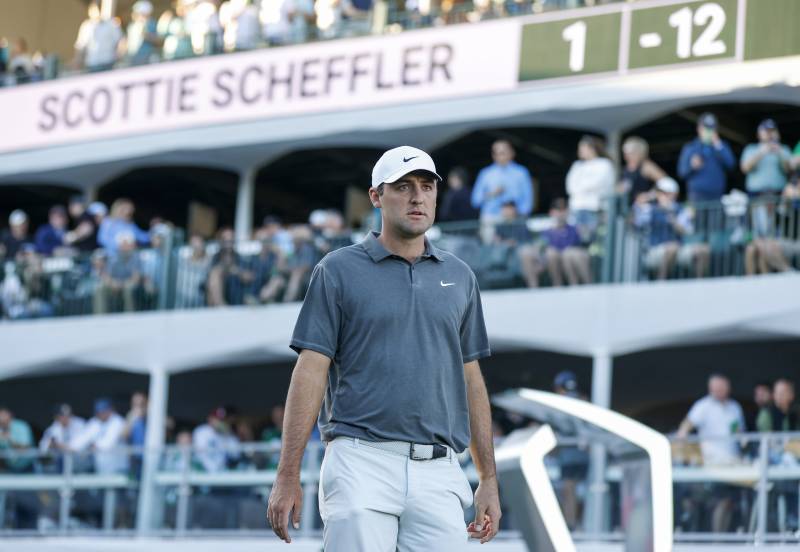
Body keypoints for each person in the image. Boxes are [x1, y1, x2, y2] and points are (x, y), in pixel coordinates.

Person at [268, 145, 500, 549]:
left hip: (440, 470)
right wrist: (287, 473)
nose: (417, 197)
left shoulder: (461, 277)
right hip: (360, 462)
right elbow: (310, 371)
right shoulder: (337, 270)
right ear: (376, 196)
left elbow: (471, 379)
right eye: (403, 187)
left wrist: (489, 480)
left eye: (427, 187)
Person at [677, 374, 745, 532]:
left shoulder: (735, 407)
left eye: (722, 387)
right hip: (711, 464)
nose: (719, 391)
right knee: (717, 500)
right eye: (715, 388)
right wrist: (684, 445)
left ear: (728, 388)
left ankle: (720, 540)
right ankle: (715, 540)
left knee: (729, 502)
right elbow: (686, 425)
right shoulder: (703, 406)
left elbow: (740, 433)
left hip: (733, 464)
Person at [634, 179, 709, 280]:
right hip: (655, 249)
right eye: (660, 193)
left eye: (665, 193)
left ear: (673, 195)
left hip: (679, 248)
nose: (661, 195)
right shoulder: (650, 209)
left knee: (703, 250)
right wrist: (644, 199)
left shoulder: (681, 210)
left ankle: (700, 286)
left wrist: (673, 219)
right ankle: (661, 284)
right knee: (672, 248)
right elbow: (636, 221)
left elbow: (687, 231)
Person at [565, 135, 616, 242]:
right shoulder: (577, 165)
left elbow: (598, 184)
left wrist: (581, 187)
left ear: (592, 148)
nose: (580, 151)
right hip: (577, 207)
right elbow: (570, 186)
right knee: (577, 240)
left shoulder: (604, 164)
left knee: (593, 240)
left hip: (594, 208)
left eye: (583, 148)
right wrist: (583, 188)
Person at [677, 113, 736, 203]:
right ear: (699, 129)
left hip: (717, 196)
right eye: (706, 128)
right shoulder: (690, 148)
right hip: (697, 196)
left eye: (712, 128)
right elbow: (681, 172)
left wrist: (718, 146)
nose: (709, 131)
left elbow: (731, 165)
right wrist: (692, 166)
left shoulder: (721, 146)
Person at [471, 140, 534, 222]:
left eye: (503, 153)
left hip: (515, 219)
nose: (500, 156)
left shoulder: (521, 172)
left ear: (512, 153)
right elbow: (475, 201)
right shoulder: (485, 173)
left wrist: (519, 213)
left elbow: (528, 200)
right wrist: (492, 194)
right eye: (496, 153)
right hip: (491, 218)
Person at [70, 398, 129, 474]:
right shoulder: (95, 422)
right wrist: (71, 446)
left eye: (103, 411)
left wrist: (92, 445)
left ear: (110, 410)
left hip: (119, 468)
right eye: (99, 412)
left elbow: (108, 444)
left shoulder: (118, 421)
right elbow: (83, 437)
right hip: (101, 468)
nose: (101, 414)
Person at [542, 198, 591, 286]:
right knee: (551, 254)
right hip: (556, 265)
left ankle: (580, 285)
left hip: (572, 262)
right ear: (552, 212)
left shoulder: (575, 229)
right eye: (558, 210)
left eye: (563, 210)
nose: (561, 213)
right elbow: (544, 248)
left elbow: (581, 243)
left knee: (568, 254)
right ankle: (557, 285)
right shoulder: (547, 231)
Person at [94, 231, 142, 313]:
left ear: (131, 245)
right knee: (99, 287)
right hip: (115, 285)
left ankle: (130, 315)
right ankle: (100, 316)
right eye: (122, 245)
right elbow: (106, 276)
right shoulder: (114, 258)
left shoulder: (136, 258)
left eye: (126, 244)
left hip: (129, 284)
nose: (124, 247)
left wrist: (122, 284)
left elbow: (136, 278)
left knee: (128, 287)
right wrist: (113, 283)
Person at [619, 136, 671, 205]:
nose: (628, 156)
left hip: (647, 209)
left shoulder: (646, 166)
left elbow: (668, 184)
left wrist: (649, 196)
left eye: (631, 153)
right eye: (626, 153)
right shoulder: (626, 169)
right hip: (630, 209)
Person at [74, 2, 123, 72]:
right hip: (92, 64)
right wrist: (78, 60)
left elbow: (120, 41)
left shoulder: (111, 24)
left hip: (108, 62)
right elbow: (80, 45)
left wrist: (119, 55)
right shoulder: (86, 26)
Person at [192, 407, 241, 473]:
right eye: (217, 419)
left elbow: (235, 454)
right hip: (203, 470)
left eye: (222, 420)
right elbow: (200, 452)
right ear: (210, 419)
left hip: (222, 472)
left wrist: (226, 435)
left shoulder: (229, 435)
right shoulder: (202, 431)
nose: (220, 422)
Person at [0, 406, 34, 473]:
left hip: (27, 466)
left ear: (10, 416)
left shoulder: (21, 426)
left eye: (3, 415)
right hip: (9, 467)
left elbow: (25, 448)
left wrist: (9, 440)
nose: (1, 418)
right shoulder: (1, 428)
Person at [125, 1, 160, 65]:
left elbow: (157, 40)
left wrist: (145, 35)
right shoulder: (132, 26)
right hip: (133, 57)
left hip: (146, 57)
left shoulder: (151, 24)